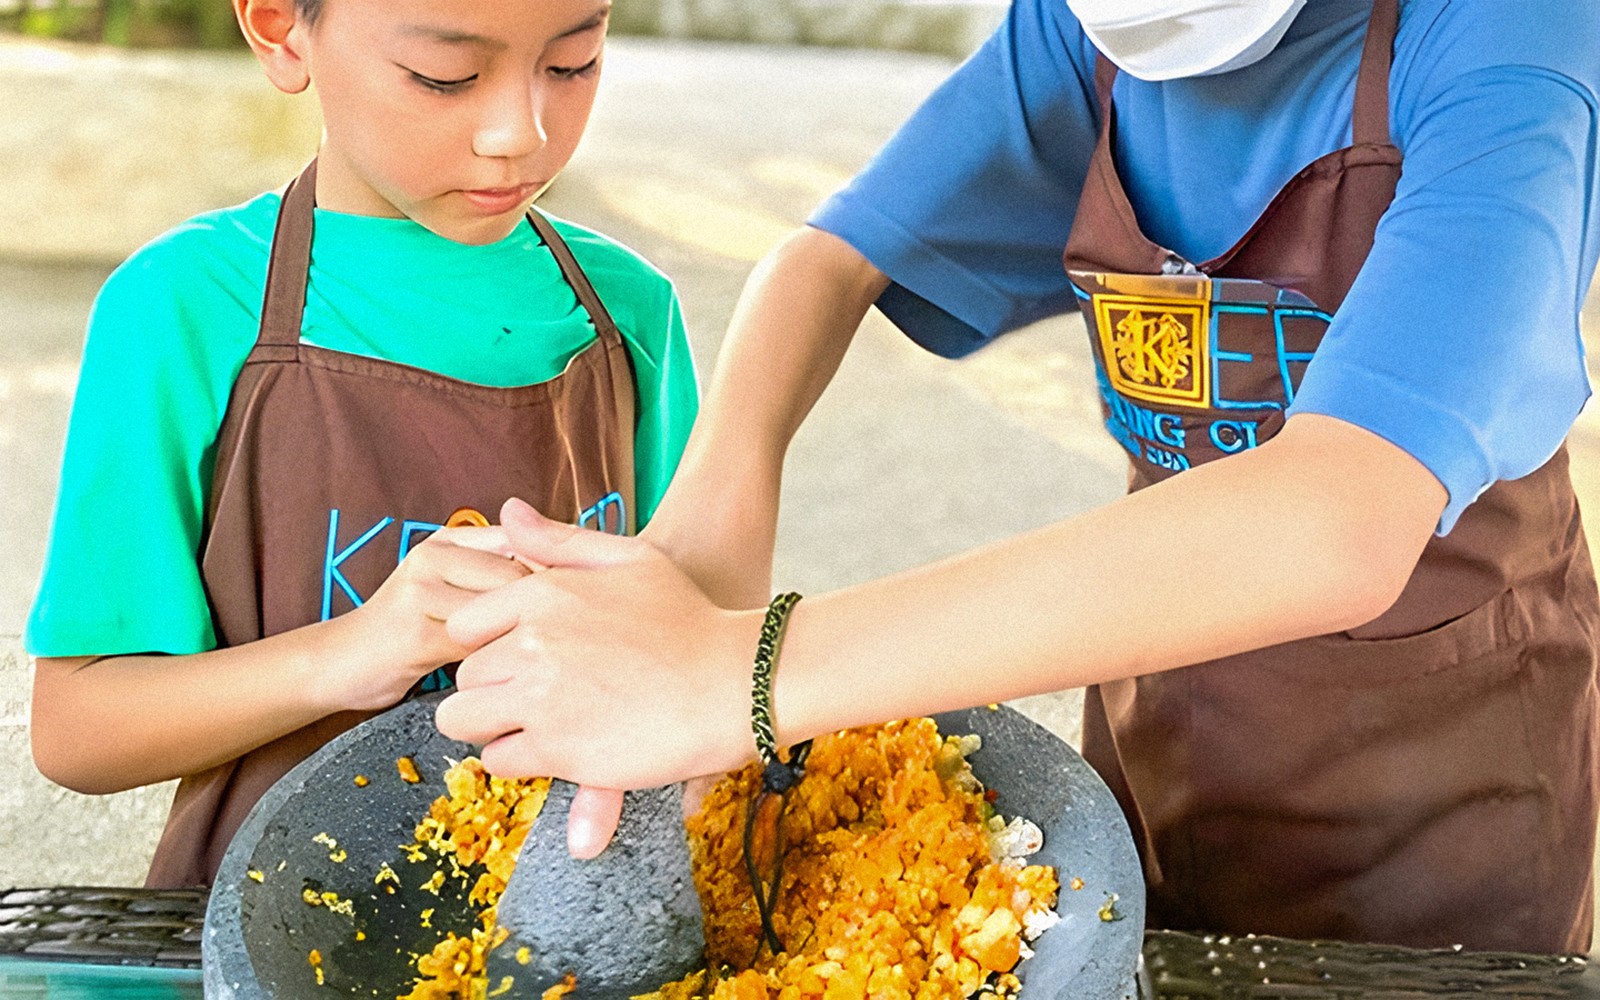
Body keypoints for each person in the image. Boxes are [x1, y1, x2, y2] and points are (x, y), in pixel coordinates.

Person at [434, 0, 1600, 953]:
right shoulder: (1089, 29)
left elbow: (1337, 519)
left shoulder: (1511, 42)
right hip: (1154, 684)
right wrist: (709, 526)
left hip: (1430, 773)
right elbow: (827, 258)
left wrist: (738, 670)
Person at [25, 0, 697, 888]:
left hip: (582, 910)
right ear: (280, 29)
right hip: (259, 918)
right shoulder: (184, 304)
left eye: (572, 63)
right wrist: (349, 655)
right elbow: (78, 731)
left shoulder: (630, 311)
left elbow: (699, 662)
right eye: (446, 76)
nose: (520, 133)